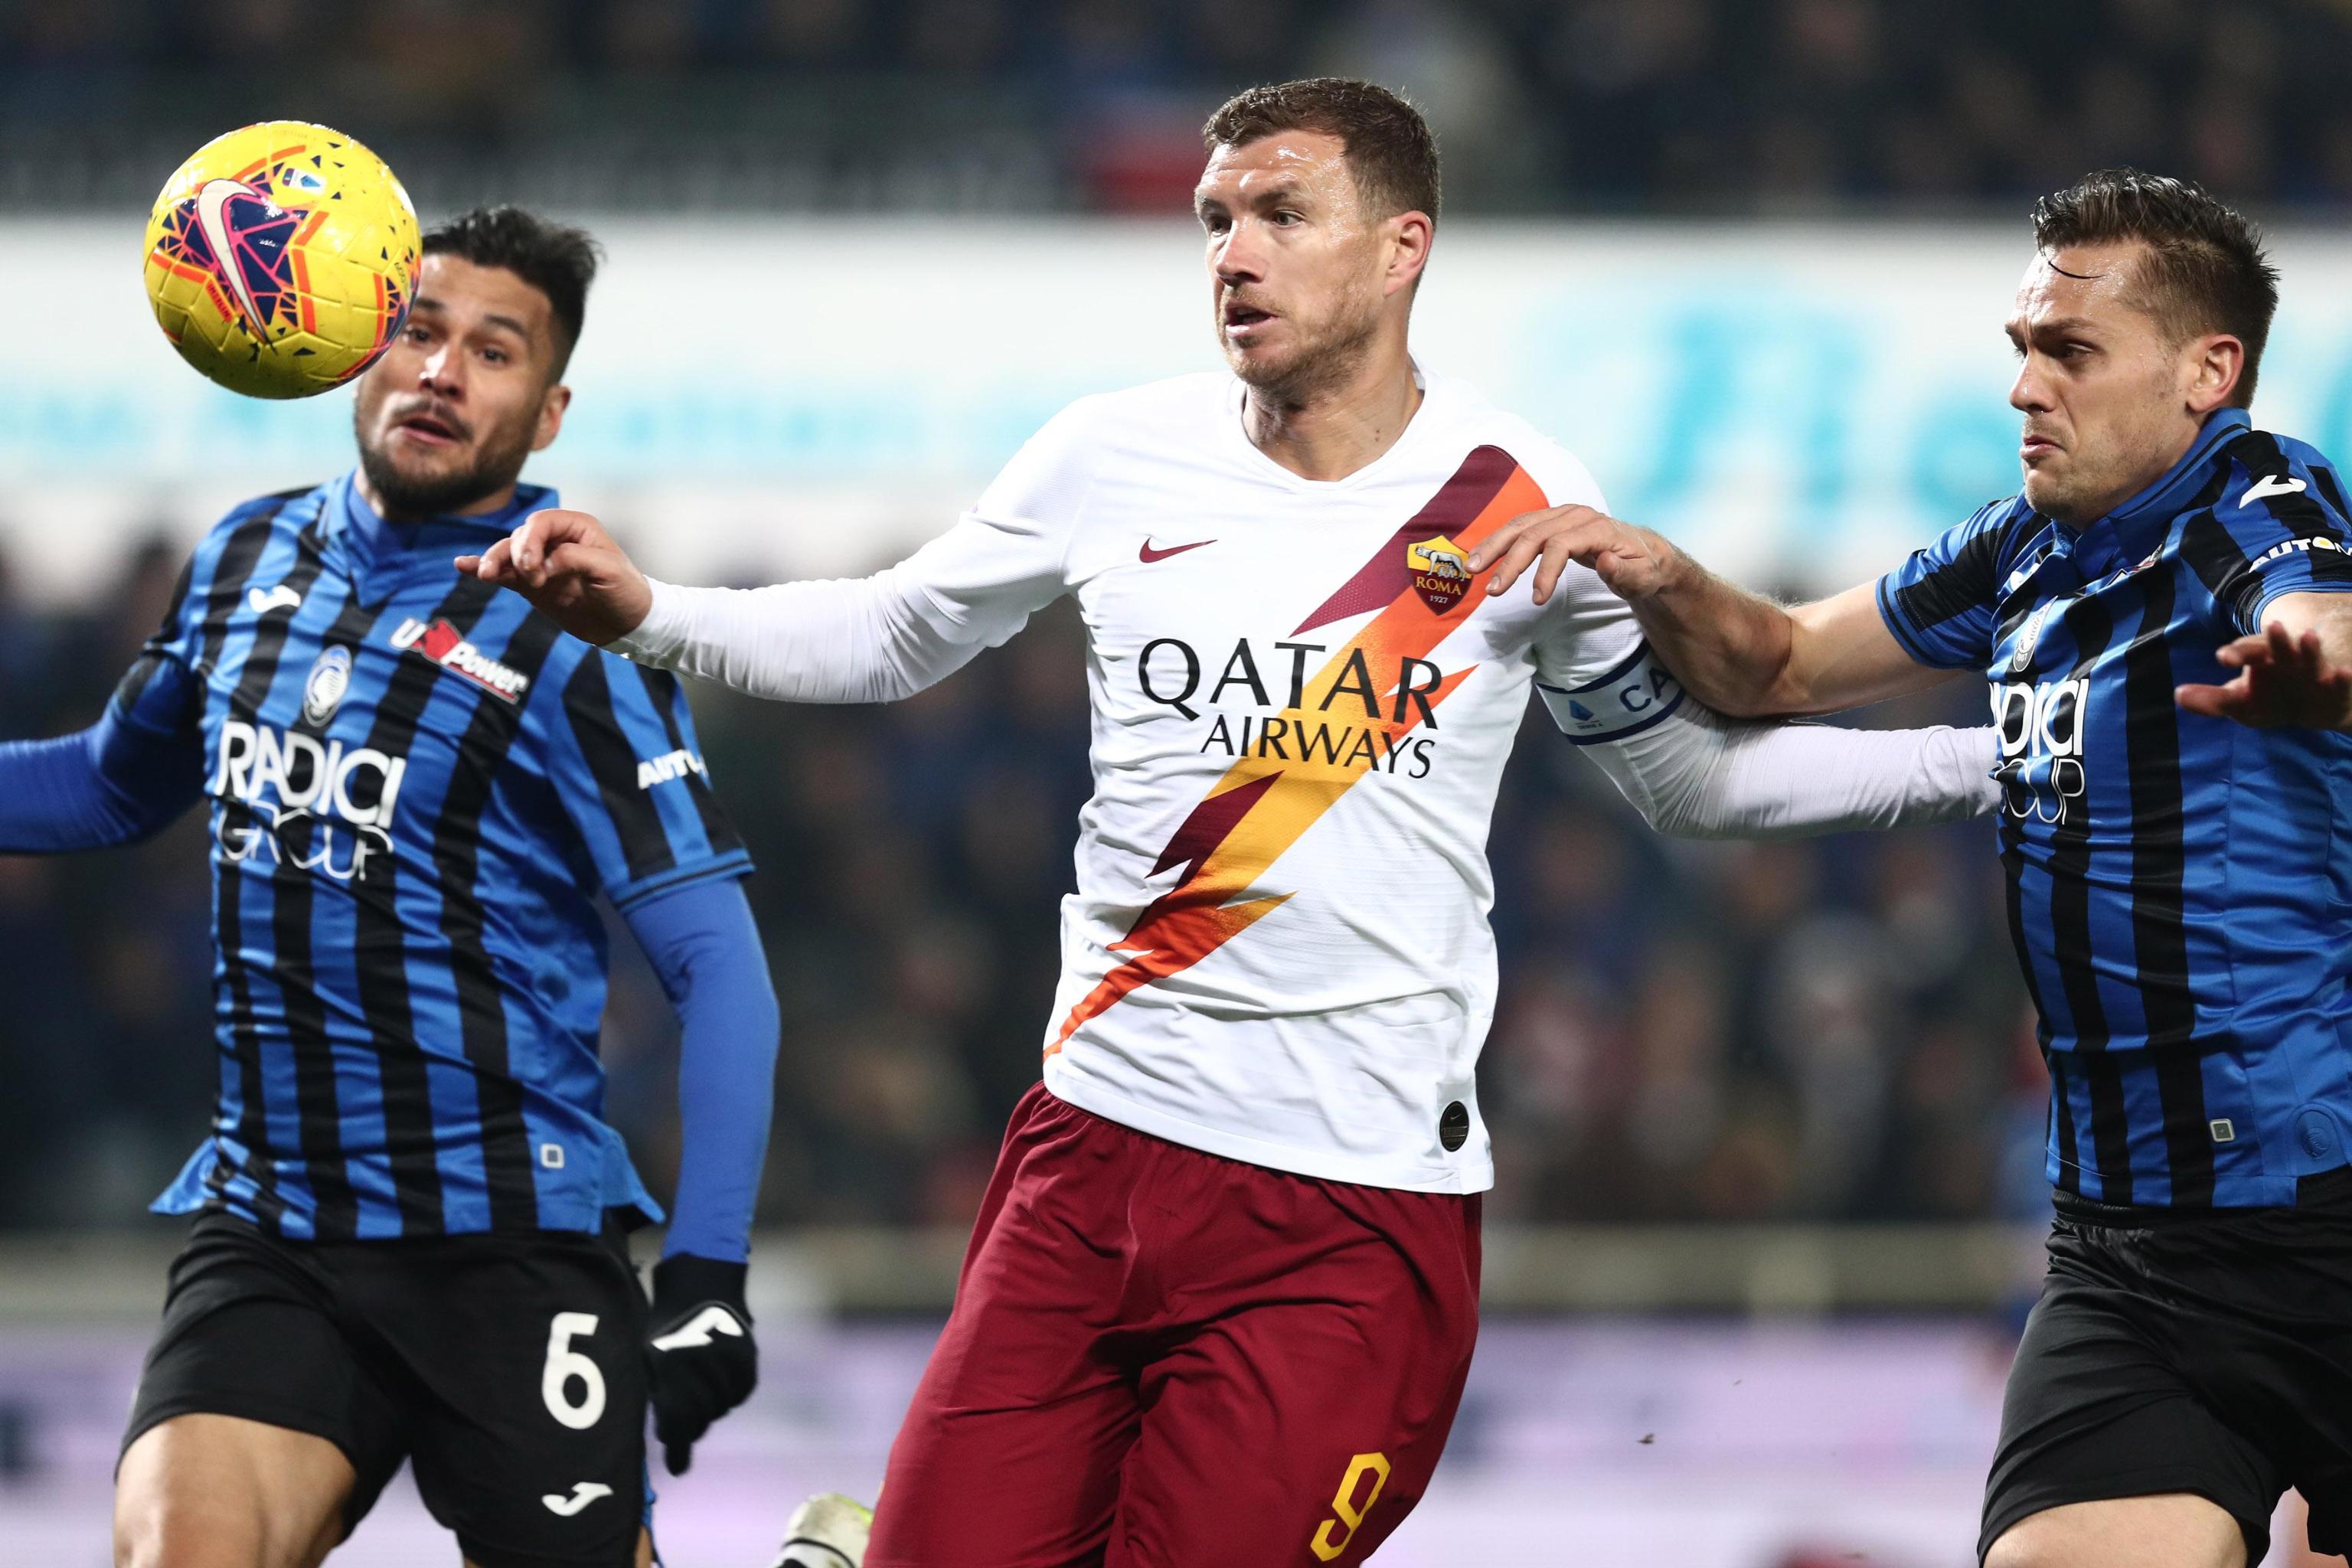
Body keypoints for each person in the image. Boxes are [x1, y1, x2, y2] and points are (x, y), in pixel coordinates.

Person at [464, 80, 1999, 1565]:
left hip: (1348, 1214)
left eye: (1281, 211)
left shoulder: (1512, 492)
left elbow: (1696, 781)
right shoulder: (1112, 454)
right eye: (1216, 218)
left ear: (1403, 247)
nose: (1234, 252)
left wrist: (1996, 760)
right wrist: (654, 611)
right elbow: (893, 633)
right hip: (1091, 1154)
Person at [1468, 168, 2352, 1568]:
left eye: (2071, 353)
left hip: (2329, 1208)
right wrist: (1655, 570)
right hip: (2131, 1251)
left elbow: (2319, 610)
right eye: (2021, 349)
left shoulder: (2252, 501)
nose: (2026, 388)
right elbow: (1776, 665)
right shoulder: (2024, 555)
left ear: (2209, 371)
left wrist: (2320, 663)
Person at [2, 207, 780, 1568]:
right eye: (420, 330)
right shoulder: (246, 558)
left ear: (547, 416)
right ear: (358, 347)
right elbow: (112, 786)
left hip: (510, 1245)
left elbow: (721, 969)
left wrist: (708, 1272)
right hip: (275, 1228)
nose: (441, 371)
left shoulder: (573, 626)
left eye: (494, 351)